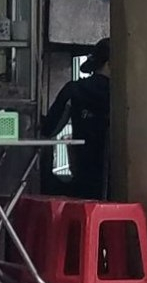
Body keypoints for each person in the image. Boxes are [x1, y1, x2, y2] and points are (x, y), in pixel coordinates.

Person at [40, 37, 111, 200]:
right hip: (119, 180)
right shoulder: (125, 96)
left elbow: (50, 129)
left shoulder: (75, 90)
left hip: (84, 179)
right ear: (110, 64)